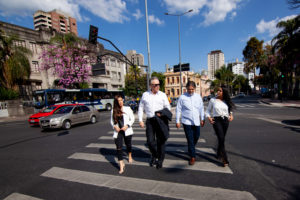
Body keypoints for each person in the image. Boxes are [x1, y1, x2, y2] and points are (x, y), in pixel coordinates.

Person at [138, 77, 171, 169]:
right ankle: (155, 154)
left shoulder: (163, 95)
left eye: (158, 84)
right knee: (150, 142)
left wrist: (162, 113)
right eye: (155, 85)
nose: (157, 86)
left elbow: (168, 107)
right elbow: (141, 107)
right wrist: (140, 120)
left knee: (161, 142)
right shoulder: (145, 95)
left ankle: (160, 161)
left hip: (161, 121)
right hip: (150, 121)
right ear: (150, 85)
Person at [176, 81, 205, 165]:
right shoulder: (182, 97)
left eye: (192, 89)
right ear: (186, 89)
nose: (191, 91)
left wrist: (202, 119)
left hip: (196, 121)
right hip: (186, 121)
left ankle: (190, 147)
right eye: (189, 89)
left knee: (196, 136)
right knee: (190, 139)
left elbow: (201, 108)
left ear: (195, 89)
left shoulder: (198, 97)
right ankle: (192, 156)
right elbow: (178, 109)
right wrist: (177, 121)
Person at [205, 87, 235, 167]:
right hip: (216, 120)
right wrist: (209, 118)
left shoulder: (226, 100)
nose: (218, 92)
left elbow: (230, 108)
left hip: (225, 121)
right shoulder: (213, 100)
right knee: (221, 138)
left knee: (221, 139)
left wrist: (231, 115)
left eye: (220, 91)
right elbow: (207, 111)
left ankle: (218, 153)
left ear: (224, 92)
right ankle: (225, 159)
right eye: (217, 90)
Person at [111, 95, 135, 174]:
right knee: (119, 147)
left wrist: (127, 125)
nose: (121, 102)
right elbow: (111, 121)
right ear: (116, 102)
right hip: (118, 132)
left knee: (128, 145)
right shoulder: (113, 111)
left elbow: (132, 118)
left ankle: (130, 155)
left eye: (121, 100)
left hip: (127, 130)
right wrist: (114, 126)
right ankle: (121, 165)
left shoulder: (127, 109)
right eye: (119, 101)